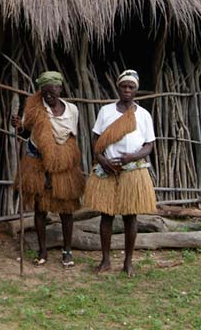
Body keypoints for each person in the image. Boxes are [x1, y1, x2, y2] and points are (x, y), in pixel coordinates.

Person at [83, 69, 157, 276]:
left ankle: (128, 262)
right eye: (123, 86)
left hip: (133, 170)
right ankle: (105, 260)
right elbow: (95, 139)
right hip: (107, 169)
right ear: (118, 87)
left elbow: (149, 145)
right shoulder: (106, 112)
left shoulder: (143, 115)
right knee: (106, 216)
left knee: (130, 217)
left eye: (131, 87)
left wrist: (131, 157)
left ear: (136, 90)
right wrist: (101, 159)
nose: (127, 90)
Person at [10, 71, 85, 267]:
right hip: (37, 163)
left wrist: (61, 157)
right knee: (40, 208)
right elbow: (24, 132)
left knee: (66, 209)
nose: (50, 95)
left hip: (63, 165)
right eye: (46, 92)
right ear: (41, 91)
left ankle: (67, 251)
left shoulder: (72, 110)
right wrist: (18, 126)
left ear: (60, 89)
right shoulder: (35, 109)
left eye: (54, 91)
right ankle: (42, 251)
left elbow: (72, 136)